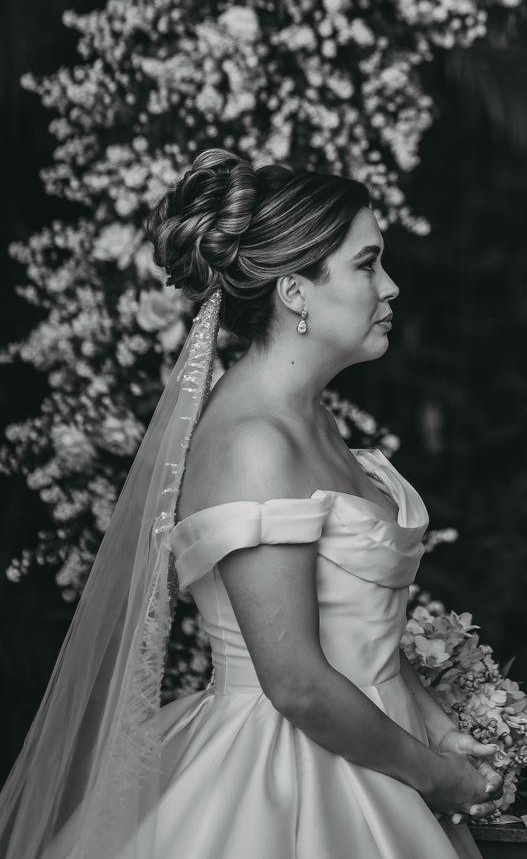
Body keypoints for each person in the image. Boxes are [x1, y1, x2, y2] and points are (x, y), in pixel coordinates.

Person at [0, 149, 501, 859]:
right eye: (367, 264)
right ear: (295, 292)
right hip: (290, 777)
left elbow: (359, 631)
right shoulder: (253, 444)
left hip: (378, 745)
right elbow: (295, 683)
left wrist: (435, 726)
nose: (390, 287)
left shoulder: (311, 417)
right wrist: (436, 777)